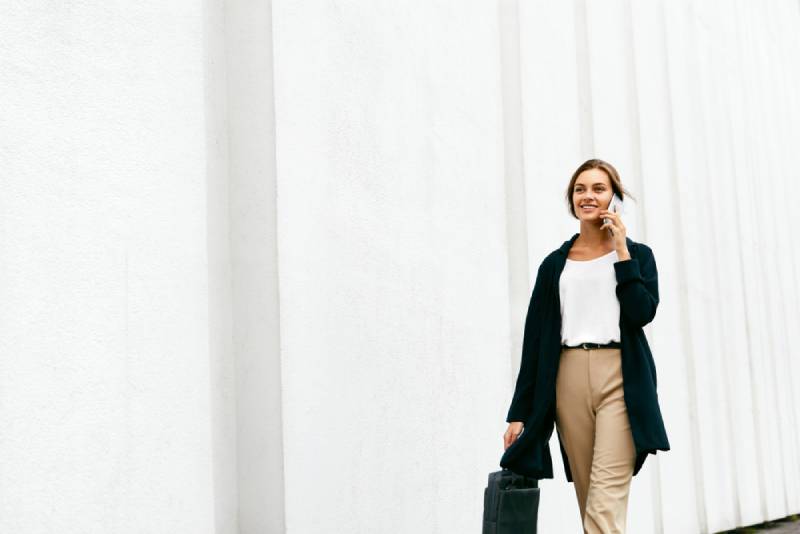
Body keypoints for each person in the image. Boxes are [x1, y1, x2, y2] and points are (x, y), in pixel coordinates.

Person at [499, 159, 670, 534]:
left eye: (598, 188)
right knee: (590, 500)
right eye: (580, 189)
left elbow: (642, 313)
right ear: (571, 199)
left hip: (620, 378)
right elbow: (535, 342)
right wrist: (519, 412)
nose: (588, 196)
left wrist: (622, 252)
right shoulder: (554, 266)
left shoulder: (638, 256)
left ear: (615, 198)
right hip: (567, 379)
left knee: (604, 502)